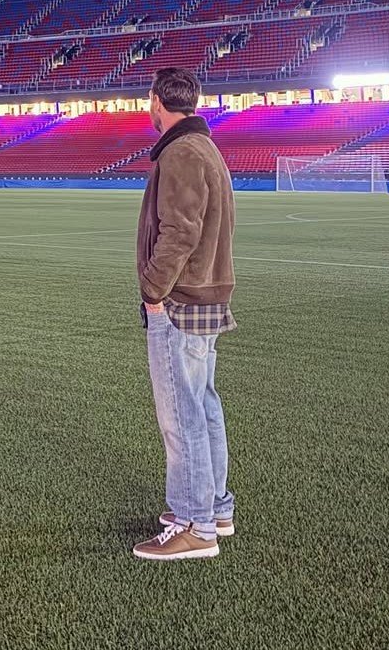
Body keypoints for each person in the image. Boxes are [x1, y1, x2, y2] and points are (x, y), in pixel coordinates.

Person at [132, 67, 237, 562]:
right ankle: (214, 508)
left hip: (181, 302)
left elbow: (179, 232)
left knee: (182, 414)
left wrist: (153, 290)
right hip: (206, 297)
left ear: (157, 101)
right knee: (204, 405)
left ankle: (195, 525)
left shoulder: (180, 152)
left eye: (148, 99)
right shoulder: (204, 148)